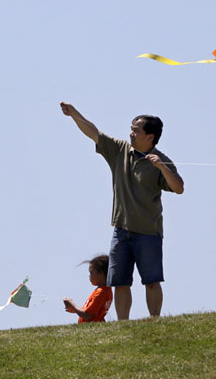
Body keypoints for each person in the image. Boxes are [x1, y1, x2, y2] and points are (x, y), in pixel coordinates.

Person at [60, 102, 184, 319]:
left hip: (149, 232)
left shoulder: (161, 161)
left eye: (136, 130)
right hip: (121, 231)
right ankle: (123, 324)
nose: (131, 133)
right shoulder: (120, 150)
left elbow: (179, 187)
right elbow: (94, 133)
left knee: (152, 281)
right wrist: (74, 114)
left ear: (150, 137)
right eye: (131, 129)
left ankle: (155, 320)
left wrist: (161, 167)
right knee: (120, 282)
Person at [64, 255, 113, 323]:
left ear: (101, 274)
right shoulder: (107, 290)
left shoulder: (100, 292)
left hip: (94, 327)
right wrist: (76, 310)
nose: (89, 276)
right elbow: (91, 311)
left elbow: (87, 315)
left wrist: (71, 304)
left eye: (91, 272)